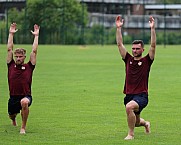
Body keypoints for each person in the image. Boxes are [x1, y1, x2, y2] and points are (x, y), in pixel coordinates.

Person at [115, 15, 156, 140]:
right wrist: (118, 29)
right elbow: (119, 44)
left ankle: (130, 134)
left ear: (142, 49)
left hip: (142, 95)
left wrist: (152, 29)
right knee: (136, 121)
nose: (134, 50)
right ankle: (146, 123)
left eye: (137, 49)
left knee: (129, 107)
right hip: (129, 95)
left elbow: (153, 46)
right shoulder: (128, 59)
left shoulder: (147, 61)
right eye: (133, 48)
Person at [7, 22, 40, 134]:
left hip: (26, 95)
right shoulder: (10, 65)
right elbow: (9, 49)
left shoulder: (29, 67)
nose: (18, 58)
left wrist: (36, 36)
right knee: (12, 114)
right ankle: (13, 119)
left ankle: (23, 128)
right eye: (17, 56)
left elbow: (34, 51)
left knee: (24, 102)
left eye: (20, 57)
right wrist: (11, 33)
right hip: (13, 97)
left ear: (24, 57)